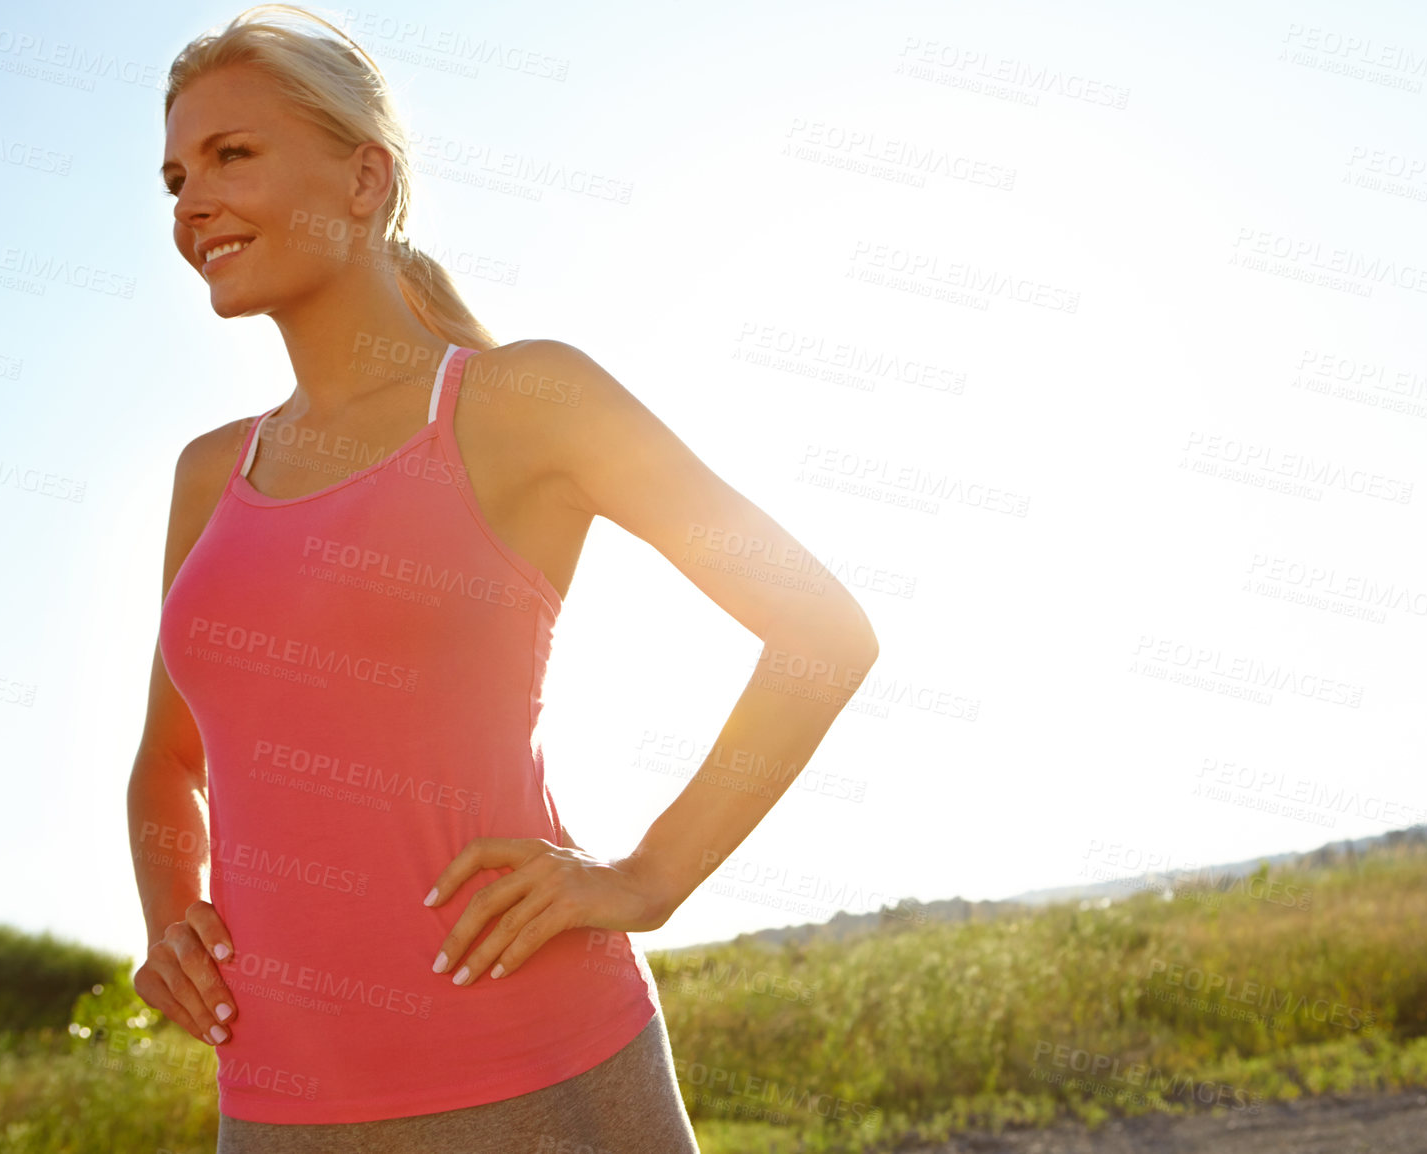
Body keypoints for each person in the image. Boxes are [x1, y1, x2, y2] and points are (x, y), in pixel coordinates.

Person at [126, 6, 881, 1151]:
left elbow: (821, 628)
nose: (191, 201)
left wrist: (646, 877)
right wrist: (169, 918)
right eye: (177, 174)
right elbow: (165, 765)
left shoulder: (526, 402)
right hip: (274, 1107)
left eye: (233, 155)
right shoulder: (206, 475)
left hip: (538, 1076)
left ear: (365, 177)